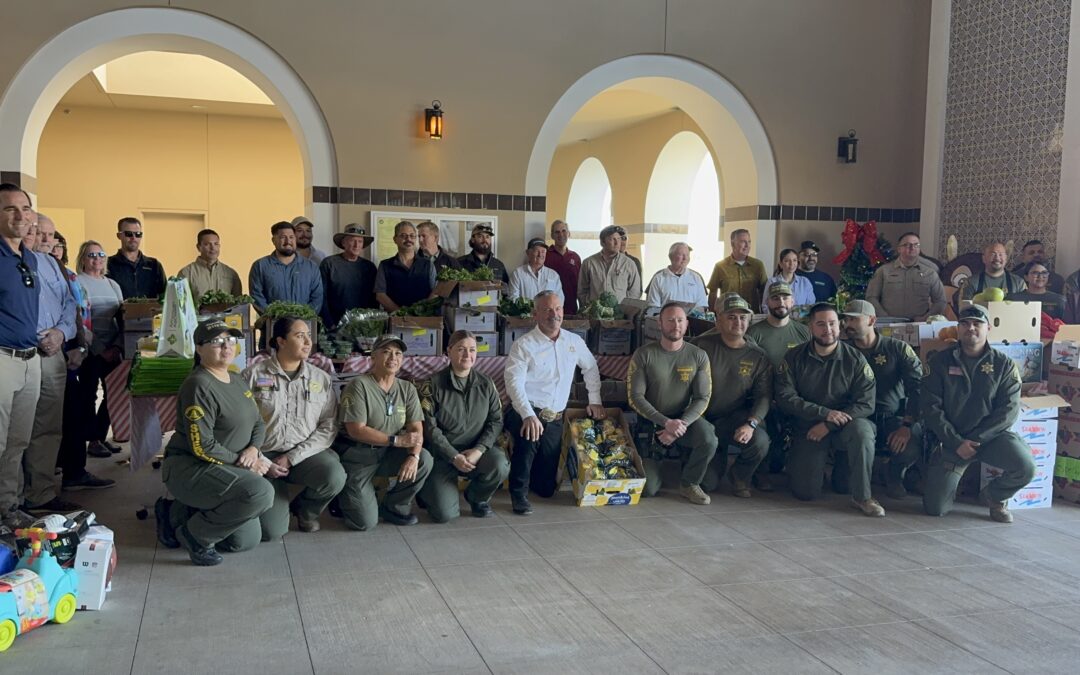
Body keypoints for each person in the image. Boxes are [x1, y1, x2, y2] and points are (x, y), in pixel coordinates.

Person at [161, 319, 275, 566]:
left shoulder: (236, 379)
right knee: (261, 493)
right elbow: (201, 446)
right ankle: (192, 534)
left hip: (231, 467)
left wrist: (253, 451)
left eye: (231, 340)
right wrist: (243, 462)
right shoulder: (199, 384)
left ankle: (188, 512)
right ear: (199, 349)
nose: (226, 347)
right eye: (217, 341)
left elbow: (258, 423)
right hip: (193, 467)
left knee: (245, 541)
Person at [922, 304, 1035, 523]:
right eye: (965, 323)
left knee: (1026, 467)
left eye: (977, 323)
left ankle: (995, 497)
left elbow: (1008, 411)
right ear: (958, 328)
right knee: (935, 509)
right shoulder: (939, 362)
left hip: (991, 438)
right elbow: (930, 408)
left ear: (988, 327)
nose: (970, 328)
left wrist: (976, 440)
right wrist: (956, 442)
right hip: (952, 440)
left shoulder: (1004, 365)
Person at [774, 303, 884, 517]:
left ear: (840, 326)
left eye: (833, 324)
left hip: (846, 426)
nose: (828, 330)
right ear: (810, 327)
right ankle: (814, 465)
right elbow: (785, 397)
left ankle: (863, 497)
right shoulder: (794, 357)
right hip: (808, 429)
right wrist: (823, 414)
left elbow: (866, 403)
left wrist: (829, 423)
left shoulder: (855, 359)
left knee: (863, 432)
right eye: (821, 324)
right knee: (805, 492)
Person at [504, 290, 605, 515]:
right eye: (548, 309)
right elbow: (513, 383)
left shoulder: (573, 341)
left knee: (546, 489)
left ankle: (533, 479)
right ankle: (518, 494)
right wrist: (528, 414)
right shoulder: (523, 345)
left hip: (556, 417)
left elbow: (590, 367)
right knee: (527, 441)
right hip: (527, 411)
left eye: (558, 308)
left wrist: (595, 400)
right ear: (536, 314)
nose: (554, 314)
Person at [243, 316, 345, 538]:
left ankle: (306, 510)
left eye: (309, 335)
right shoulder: (253, 376)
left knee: (334, 475)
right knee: (272, 532)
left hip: (304, 455)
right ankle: (273, 498)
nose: (308, 342)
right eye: (300, 336)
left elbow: (329, 425)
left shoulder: (320, 378)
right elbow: (240, 424)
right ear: (281, 341)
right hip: (264, 456)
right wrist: (262, 461)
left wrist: (293, 457)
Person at [334, 335, 432, 530]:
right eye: (386, 352)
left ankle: (394, 506)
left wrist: (414, 454)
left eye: (398, 353)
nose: (393, 357)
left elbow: (416, 428)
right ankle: (342, 496)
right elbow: (356, 430)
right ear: (373, 358)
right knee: (364, 523)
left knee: (424, 460)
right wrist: (396, 440)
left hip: (388, 453)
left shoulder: (407, 388)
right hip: (359, 455)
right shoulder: (359, 386)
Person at [416, 330, 509, 522]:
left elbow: (496, 421)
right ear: (449, 351)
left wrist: (480, 449)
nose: (467, 355)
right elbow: (430, 428)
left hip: (475, 452)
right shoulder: (432, 385)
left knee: (499, 464)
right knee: (444, 515)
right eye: (461, 349)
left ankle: (477, 498)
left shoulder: (486, 384)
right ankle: (426, 490)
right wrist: (453, 456)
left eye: (472, 350)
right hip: (442, 456)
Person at [22, 213, 81, 512]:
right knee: (16, 430)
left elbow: (69, 304)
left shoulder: (52, 264)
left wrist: (61, 333)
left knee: (48, 427)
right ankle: (12, 498)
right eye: (38, 232)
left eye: (50, 234)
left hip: (53, 353)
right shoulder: (13, 262)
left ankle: (40, 494)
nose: (45, 239)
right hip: (24, 351)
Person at [628, 302, 715, 503]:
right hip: (651, 424)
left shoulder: (698, 355)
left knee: (709, 439)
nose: (675, 325)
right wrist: (666, 423)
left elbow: (703, 397)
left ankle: (689, 483)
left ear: (686, 324)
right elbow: (635, 397)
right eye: (670, 320)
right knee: (648, 489)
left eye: (680, 320)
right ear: (660, 324)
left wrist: (680, 425)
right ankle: (656, 463)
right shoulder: (644, 354)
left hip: (685, 421)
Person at [841, 300, 924, 500]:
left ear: (872, 320)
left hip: (892, 417)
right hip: (858, 417)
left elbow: (918, 388)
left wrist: (907, 424)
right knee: (841, 485)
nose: (847, 324)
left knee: (912, 442)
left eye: (854, 319)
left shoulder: (897, 349)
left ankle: (894, 473)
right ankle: (861, 480)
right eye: (846, 319)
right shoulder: (843, 350)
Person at [692, 295, 771, 499]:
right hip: (701, 419)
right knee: (707, 483)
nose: (738, 322)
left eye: (743, 318)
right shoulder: (700, 345)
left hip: (734, 419)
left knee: (760, 440)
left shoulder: (757, 355)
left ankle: (740, 476)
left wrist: (751, 424)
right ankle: (710, 458)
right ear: (718, 320)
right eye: (731, 317)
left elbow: (763, 396)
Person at [0, 183, 43, 520]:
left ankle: (8, 509)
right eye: (9, 209)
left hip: (31, 360)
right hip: (2, 359)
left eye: (24, 209)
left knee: (18, 443)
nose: (19, 215)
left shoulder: (28, 257)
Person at [746, 282, 811, 488]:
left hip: (796, 397)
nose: (780, 302)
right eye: (775, 298)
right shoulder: (754, 333)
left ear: (792, 301)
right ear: (767, 302)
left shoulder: (804, 333)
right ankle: (761, 472)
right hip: (764, 397)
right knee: (764, 431)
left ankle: (804, 466)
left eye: (785, 298)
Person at [73, 241, 126, 461]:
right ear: (83, 259)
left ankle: (101, 435)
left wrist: (116, 346)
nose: (97, 259)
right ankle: (92, 440)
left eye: (101, 254)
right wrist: (99, 348)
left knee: (114, 395)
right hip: (90, 349)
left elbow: (123, 317)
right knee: (88, 394)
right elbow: (78, 318)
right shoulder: (77, 282)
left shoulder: (112, 284)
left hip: (113, 347)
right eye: (92, 255)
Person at [864, 232, 946, 320]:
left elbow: (940, 301)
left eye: (916, 245)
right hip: (889, 325)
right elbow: (871, 297)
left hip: (919, 324)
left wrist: (925, 318)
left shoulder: (929, 273)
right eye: (907, 245)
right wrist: (885, 317)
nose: (912, 248)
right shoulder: (883, 271)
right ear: (899, 249)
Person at [248, 220, 324, 314]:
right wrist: (273, 316)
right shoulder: (260, 266)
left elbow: (317, 297)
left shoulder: (311, 267)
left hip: (304, 326)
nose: (288, 241)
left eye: (291, 237)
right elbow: (256, 297)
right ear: (274, 240)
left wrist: (304, 317)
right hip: (272, 325)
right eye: (283, 237)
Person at [320, 223, 378, 328]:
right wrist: (329, 323)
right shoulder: (329, 264)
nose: (356, 245)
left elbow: (374, 300)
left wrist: (370, 324)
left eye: (360, 241)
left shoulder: (369, 267)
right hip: (334, 325)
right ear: (343, 242)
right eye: (352, 240)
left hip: (362, 326)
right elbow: (321, 296)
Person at [374, 220, 437, 313]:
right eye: (403, 236)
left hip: (423, 321)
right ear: (395, 239)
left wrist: (422, 312)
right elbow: (380, 295)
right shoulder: (385, 265)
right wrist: (401, 314)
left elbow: (436, 291)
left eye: (412, 236)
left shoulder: (428, 264)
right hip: (395, 321)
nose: (408, 239)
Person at [578, 225, 642, 305]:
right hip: (594, 315)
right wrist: (591, 307)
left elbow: (634, 292)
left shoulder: (629, 264)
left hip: (621, 315)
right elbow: (582, 291)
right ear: (602, 242)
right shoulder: (589, 263)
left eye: (619, 239)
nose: (617, 242)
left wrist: (624, 309)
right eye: (612, 239)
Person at [707, 228, 768, 312]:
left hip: (752, 315)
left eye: (749, 242)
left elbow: (765, 292)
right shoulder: (720, 266)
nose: (747, 245)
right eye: (743, 242)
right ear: (733, 244)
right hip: (727, 315)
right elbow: (713, 293)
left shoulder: (758, 265)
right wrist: (712, 315)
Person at [106, 217, 167, 300]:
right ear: (119, 235)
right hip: (119, 312)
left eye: (138, 234)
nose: (133, 238)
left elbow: (165, 296)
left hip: (150, 312)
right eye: (129, 234)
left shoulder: (154, 265)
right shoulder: (108, 265)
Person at [177, 229, 243, 301]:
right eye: (207, 244)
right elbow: (181, 304)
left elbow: (238, 304)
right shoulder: (186, 273)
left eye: (216, 244)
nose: (213, 248)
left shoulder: (231, 273)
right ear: (198, 247)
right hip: (197, 312)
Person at [645, 242, 708, 310]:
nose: (685, 258)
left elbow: (702, 305)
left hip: (691, 320)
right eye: (681, 255)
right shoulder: (659, 278)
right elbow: (653, 307)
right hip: (666, 319)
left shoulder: (696, 278)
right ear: (671, 256)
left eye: (687, 255)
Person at [959, 241, 1026, 302]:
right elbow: (964, 308)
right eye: (993, 254)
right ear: (984, 259)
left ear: (1006, 259)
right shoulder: (971, 282)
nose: (997, 258)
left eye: (1000, 254)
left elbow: (1026, 309)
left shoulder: (1019, 283)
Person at [508, 238, 563, 303]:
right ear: (528, 253)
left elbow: (560, 299)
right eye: (537, 251)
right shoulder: (517, 274)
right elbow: (513, 299)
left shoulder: (553, 275)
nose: (540, 255)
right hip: (526, 313)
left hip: (548, 313)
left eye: (543, 251)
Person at [544, 219, 581, 314]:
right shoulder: (545, 255)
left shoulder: (575, 257)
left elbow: (580, 283)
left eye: (564, 231)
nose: (561, 235)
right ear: (552, 235)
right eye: (557, 232)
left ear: (569, 234)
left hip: (571, 307)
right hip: (550, 307)